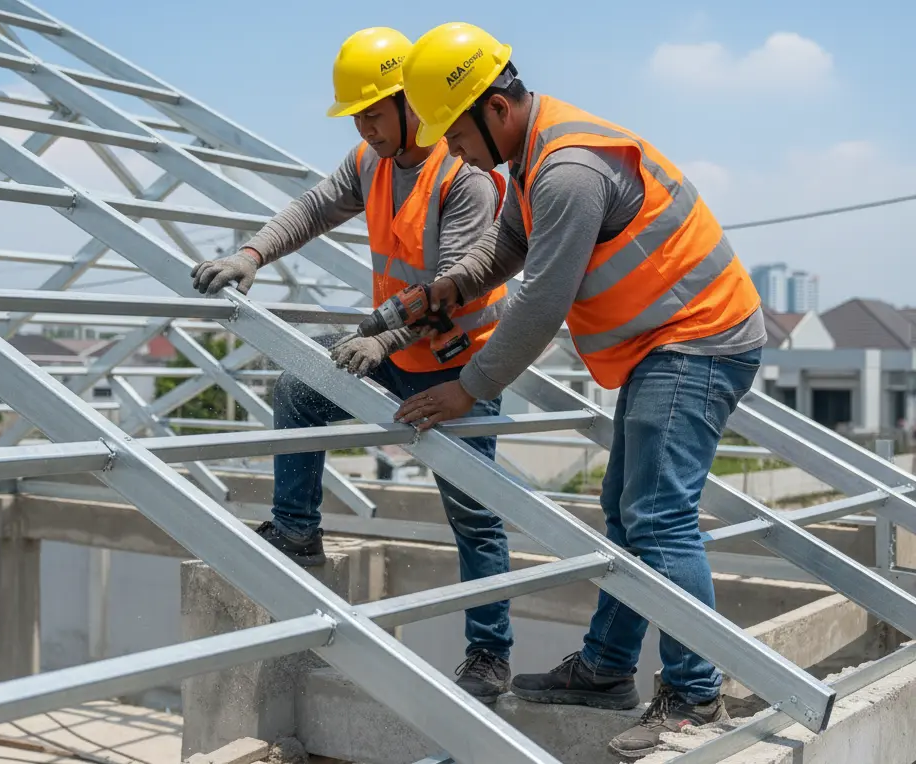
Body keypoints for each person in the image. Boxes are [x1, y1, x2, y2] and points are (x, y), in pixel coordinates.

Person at [394, 22, 767, 759]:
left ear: (495, 109)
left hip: (697, 339)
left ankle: (696, 694)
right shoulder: (536, 153)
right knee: (628, 514)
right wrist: (448, 288)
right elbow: (509, 245)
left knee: (658, 517)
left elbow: (539, 304)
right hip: (669, 342)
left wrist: (467, 389)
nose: (456, 154)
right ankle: (603, 669)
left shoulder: (565, 169)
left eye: (458, 136)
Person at [190, 27, 515, 703]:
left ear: (411, 102)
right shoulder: (370, 162)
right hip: (391, 349)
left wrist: (385, 344)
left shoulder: (465, 180)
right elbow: (312, 208)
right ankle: (298, 530)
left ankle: (489, 654)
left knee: (474, 511)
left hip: (457, 369)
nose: (365, 128)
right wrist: (251, 254)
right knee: (299, 394)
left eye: (373, 112)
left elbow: (458, 285)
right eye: (358, 116)